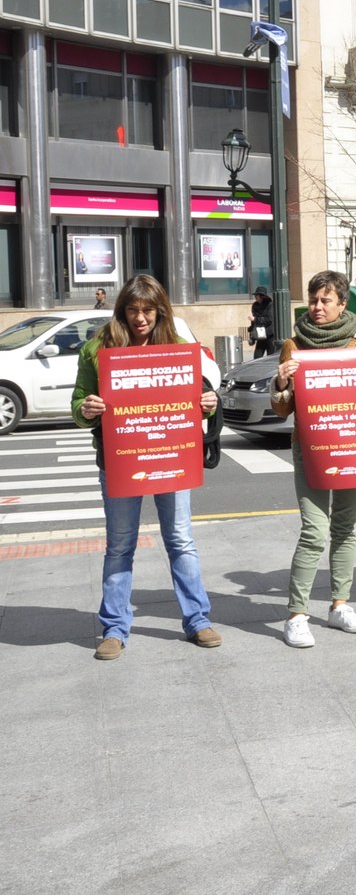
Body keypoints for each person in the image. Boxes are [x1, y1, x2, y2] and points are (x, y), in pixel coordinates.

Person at [71, 274, 222, 660]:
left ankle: (197, 620)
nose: (140, 318)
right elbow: (77, 403)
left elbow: (202, 395)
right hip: (120, 460)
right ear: (122, 310)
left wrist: (208, 402)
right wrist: (87, 410)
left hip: (171, 457)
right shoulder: (97, 349)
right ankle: (115, 628)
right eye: (133, 310)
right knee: (120, 545)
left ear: (160, 311)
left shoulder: (178, 347)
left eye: (148, 310)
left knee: (180, 539)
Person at [270, 270, 356, 648]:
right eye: (313, 300)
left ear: (343, 304)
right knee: (314, 531)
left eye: (326, 300)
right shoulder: (294, 346)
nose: (317, 307)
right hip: (310, 447)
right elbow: (282, 409)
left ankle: (339, 604)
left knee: (345, 527)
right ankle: (296, 614)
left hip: (352, 445)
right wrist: (280, 384)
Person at [249, 285, 276, 359]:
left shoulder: (270, 305)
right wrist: (251, 332)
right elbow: (254, 321)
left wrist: (255, 319)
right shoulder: (255, 305)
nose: (256, 297)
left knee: (271, 356)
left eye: (257, 296)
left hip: (269, 334)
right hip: (260, 335)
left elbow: (269, 319)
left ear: (262, 296)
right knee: (257, 357)